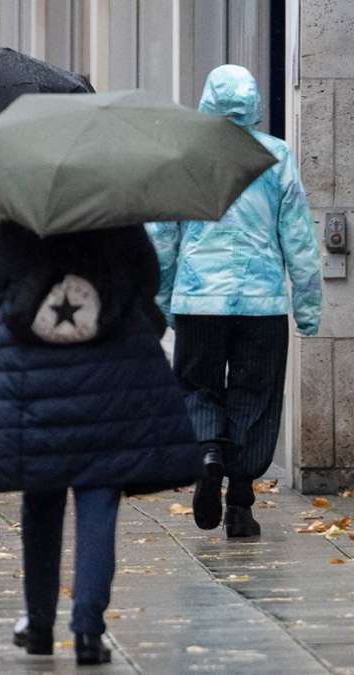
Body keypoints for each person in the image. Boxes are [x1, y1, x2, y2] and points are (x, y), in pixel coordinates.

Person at [0, 221, 202, 666]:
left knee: (40, 502)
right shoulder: (117, 217)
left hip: (35, 375)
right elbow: (147, 277)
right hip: (109, 374)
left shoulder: (27, 217)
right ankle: (88, 630)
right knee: (100, 499)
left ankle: (39, 624)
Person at [147, 64, 322, 539]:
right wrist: (307, 308)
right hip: (261, 303)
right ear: (254, 104)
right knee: (256, 395)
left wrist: (164, 300)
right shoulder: (275, 156)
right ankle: (240, 502)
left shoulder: (184, 155)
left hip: (199, 299)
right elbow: (299, 239)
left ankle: (207, 453)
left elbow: (162, 236)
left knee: (197, 386)